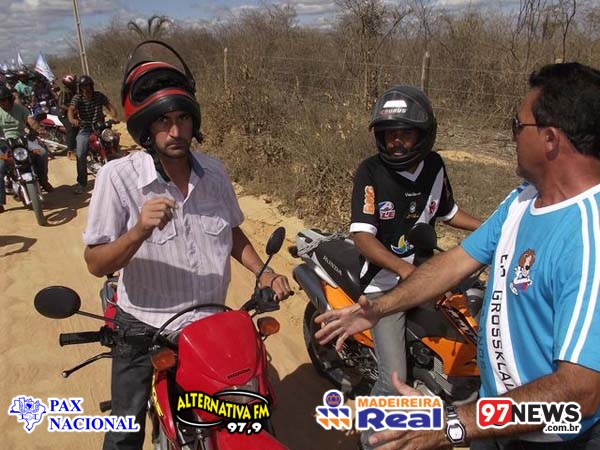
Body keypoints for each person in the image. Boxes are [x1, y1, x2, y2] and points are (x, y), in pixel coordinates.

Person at [315, 62, 600, 449]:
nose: (512, 136)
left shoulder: (589, 239)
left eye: (517, 126)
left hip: (549, 440)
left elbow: (579, 395)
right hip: (493, 418)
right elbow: (456, 260)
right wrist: (380, 308)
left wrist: (453, 424)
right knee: (394, 377)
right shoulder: (523, 199)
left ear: (550, 139)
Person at [81, 41, 294, 450]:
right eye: (163, 121)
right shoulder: (117, 178)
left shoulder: (214, 172)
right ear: (146, 127)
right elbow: (95, 262)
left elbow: (230, 231)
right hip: (145, 327)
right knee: (124, 433)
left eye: (182, 119)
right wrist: (138, 231)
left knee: (253, 409)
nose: (175, 132)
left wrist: (263, 270)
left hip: (210, 323)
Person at [350, 85, 481, 449]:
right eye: (388, 134)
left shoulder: (434, 165)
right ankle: (371, 441)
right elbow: (362, 237)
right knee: (393, 379)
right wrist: (405, 272)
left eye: (405, 133)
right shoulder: (370, 172)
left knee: (472, 328)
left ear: (424, 134)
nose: (396, 142)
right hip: (384, 286)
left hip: (427, 274)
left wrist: (491, 228)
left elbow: (448, 212)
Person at [0, 84, 53, 214]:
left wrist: (39, 129)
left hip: (22, 141)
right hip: (3, 144)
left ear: (10, 99)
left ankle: (43, 181)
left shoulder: (20, 108)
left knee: (41, 152)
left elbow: (31, 120)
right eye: (0, 101)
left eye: (4, 100)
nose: (2, 103)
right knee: (0, 165)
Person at [67, 74, 118, 194]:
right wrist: (72, 119)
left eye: (88, 85)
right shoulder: (78, 98)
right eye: (83, 86)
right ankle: (81, 183)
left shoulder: (98, 95)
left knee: (114, 138)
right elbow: (71, 109)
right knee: (80, 154)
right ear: (80, 87)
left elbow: (109, 106)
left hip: (100, 126)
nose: (86, 88)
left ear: (91, 85)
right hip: (85, 128)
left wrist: (114, 116)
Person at [58, 74, 78, 160]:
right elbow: (61, 104)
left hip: (74, 113)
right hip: (64, 115)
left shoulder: (75, 90)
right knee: (71, 128)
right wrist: (70, 109)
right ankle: (70, 151)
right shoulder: (64, 91)